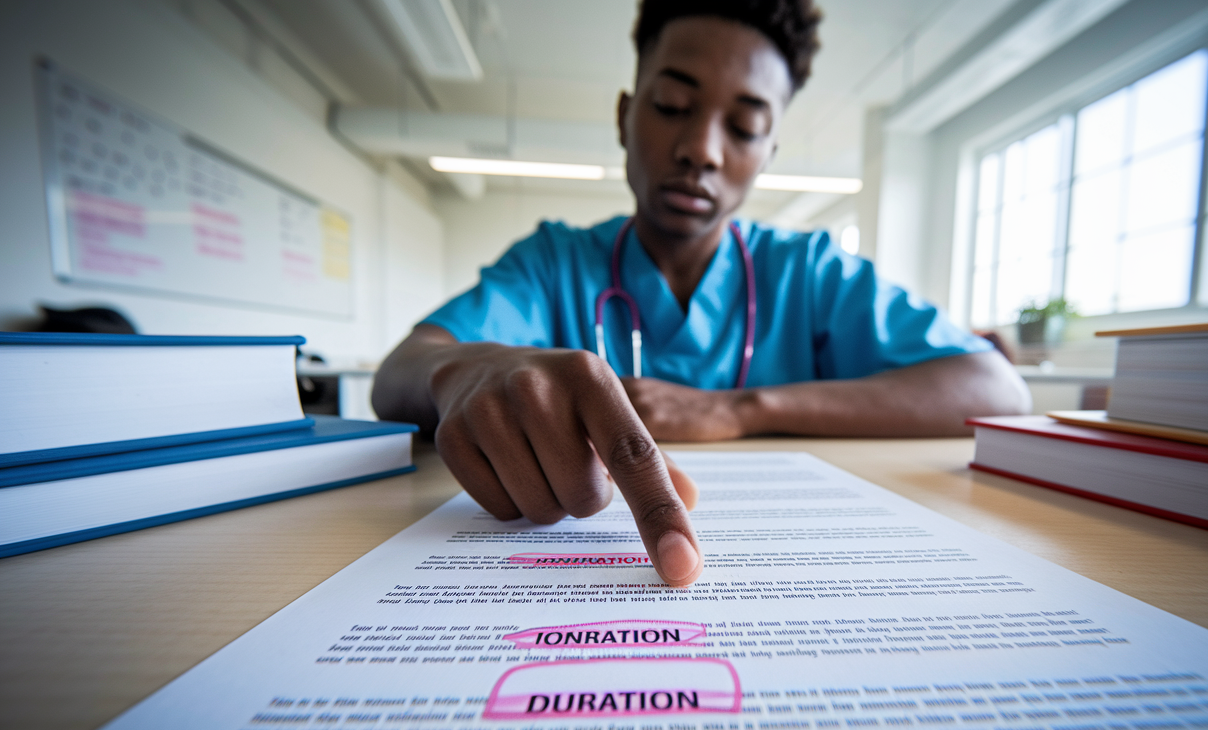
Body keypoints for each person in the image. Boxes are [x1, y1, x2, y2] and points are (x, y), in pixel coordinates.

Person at [372, 0, 1031, 588]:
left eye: (743, 127)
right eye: (671, 108)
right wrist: (462, 375)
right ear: (626, 116)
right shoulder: (553, 262)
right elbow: (401, 371)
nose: (701, 149)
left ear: (768, 150)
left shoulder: (811, 272)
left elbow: (996, 388)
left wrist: (739, 409)